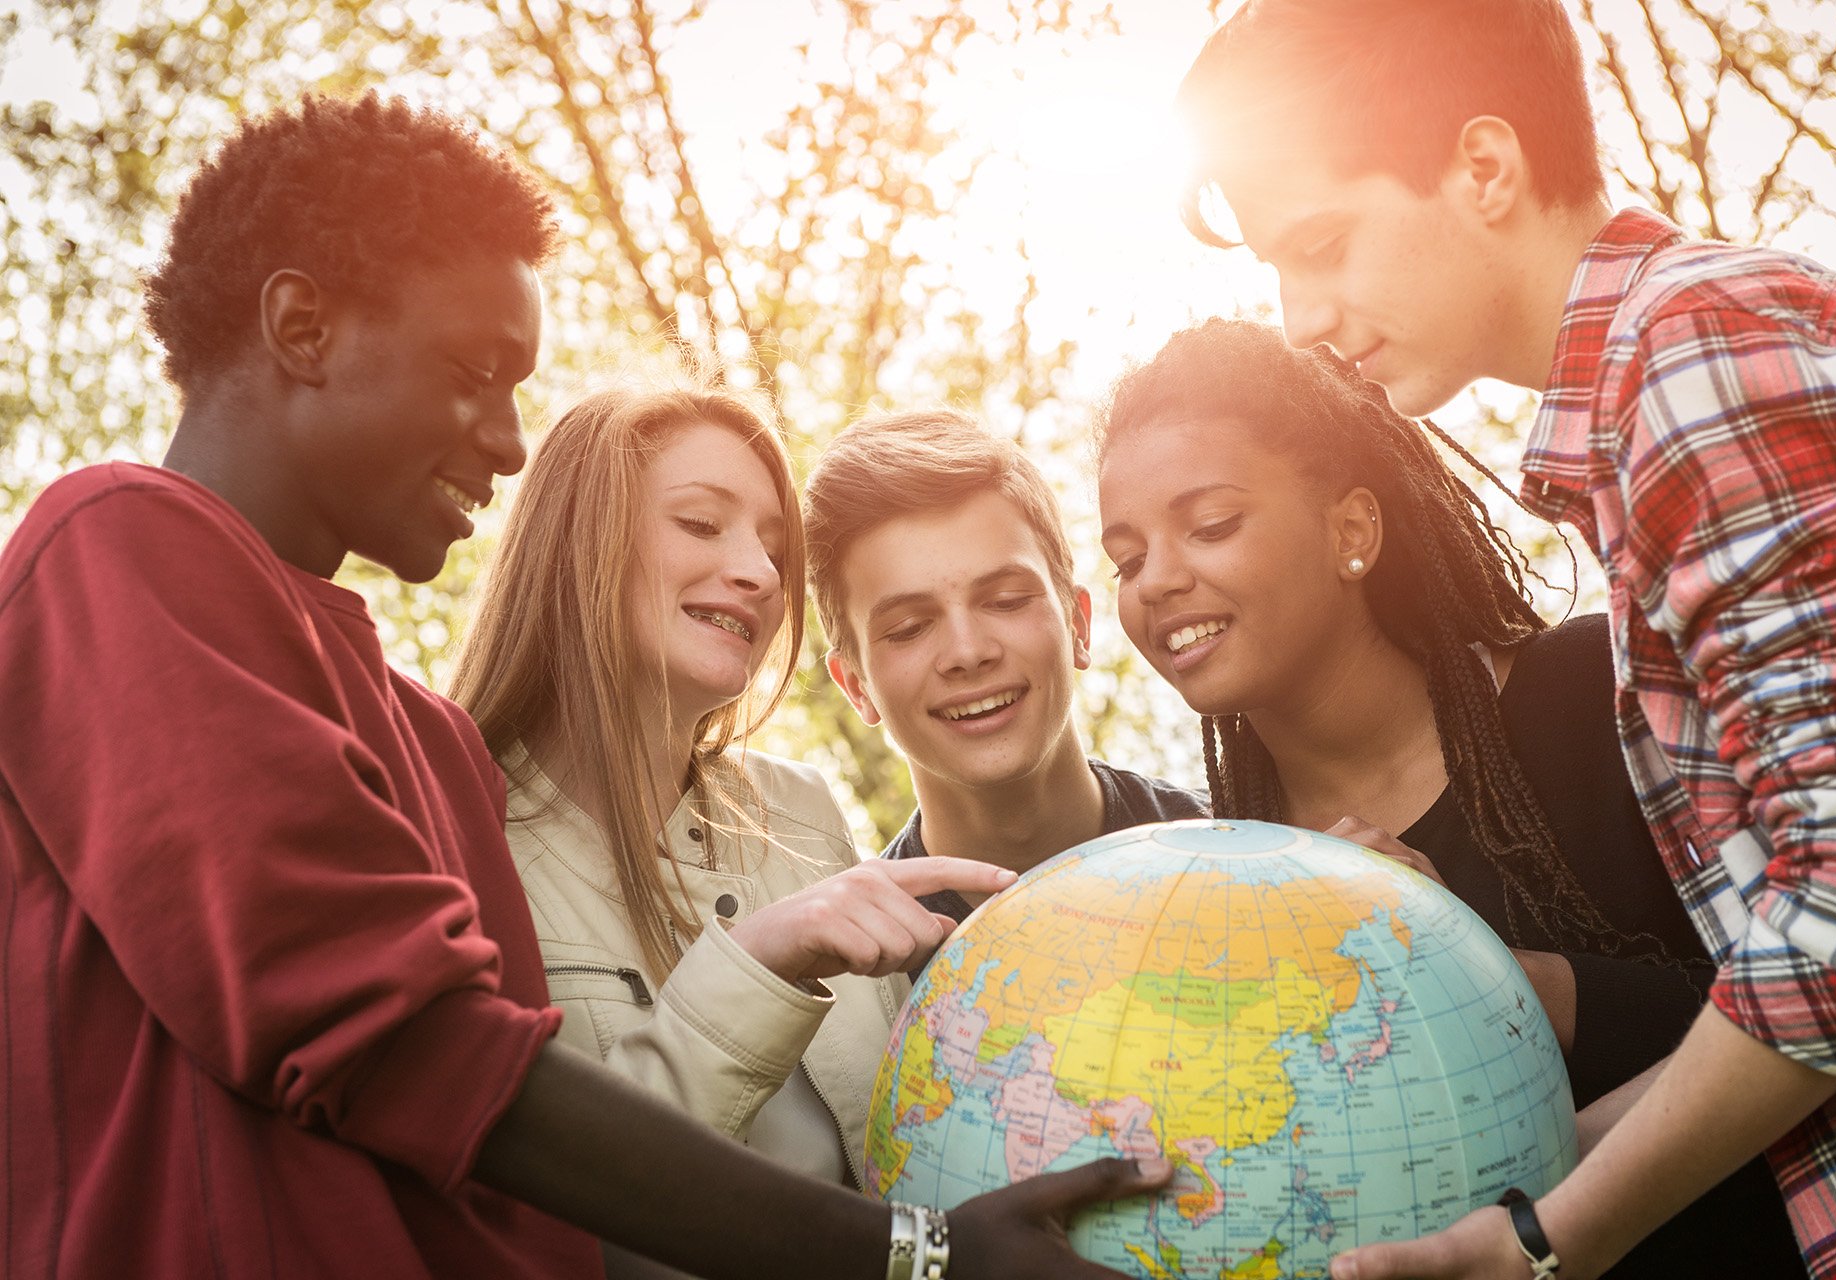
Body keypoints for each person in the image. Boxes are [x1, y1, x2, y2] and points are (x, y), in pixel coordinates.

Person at [0, 91, 1168, 1279]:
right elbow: (420, 1054)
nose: (509, 442)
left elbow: (511, 1204)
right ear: (304, 327)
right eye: (476, 371)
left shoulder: (429, 741)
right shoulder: (119, 545)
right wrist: (919, 1259)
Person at [1174, 2, 1836, 1277]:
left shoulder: (1697, 368)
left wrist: (1540, 1241)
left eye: (1325, 244)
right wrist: (1503, 1188)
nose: (1300, 316)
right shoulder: (1664, 383)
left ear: (1483, 166)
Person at [1094, 315, 1806, 1279]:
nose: (1160, 581)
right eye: (1128, 557)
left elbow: (1824, 996)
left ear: (1352, 530)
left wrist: (1463, 965)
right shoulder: (1217, 872)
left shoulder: (1603, 696)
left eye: (1210, 525)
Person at [446, 379, 1011, 1225]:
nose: (757, 572)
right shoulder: (456, 836)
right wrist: (760, 960)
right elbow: (533, 1217)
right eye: (702, 524)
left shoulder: (800, 808)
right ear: (578, 543)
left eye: (774, 547)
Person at [801, 408, 1207, 973]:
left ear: (1077, 626)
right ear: (857, 687)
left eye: (1007, 601)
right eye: (909, 628)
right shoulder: (845, 992)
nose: (968, 652)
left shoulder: (1244, 864)